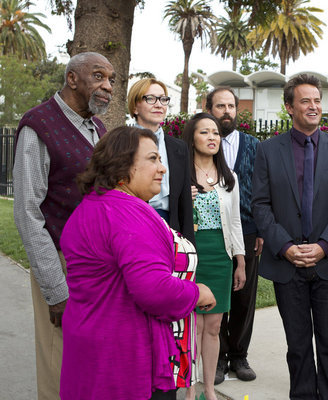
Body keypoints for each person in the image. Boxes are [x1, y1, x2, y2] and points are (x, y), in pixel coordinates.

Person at [59, 126, 216, 400]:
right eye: (153, 159)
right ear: (122, 166)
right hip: (123, 361)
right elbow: (154, 290)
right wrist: (197, 292)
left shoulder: (91, 206)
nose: (163, 169)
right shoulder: (128, 214)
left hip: (89, 349)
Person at [13, 51, 115, 400]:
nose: (108, 86)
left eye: (112, 79)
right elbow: (28, 213)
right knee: (59, 366)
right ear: (72, 79)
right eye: (99, 76)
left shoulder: (98, 127)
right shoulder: (38, 124)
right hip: (60, 261)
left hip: (100, 266)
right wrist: (56, 291)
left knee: (92, 364)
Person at [252, 74, 328, 399]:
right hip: (288, 267)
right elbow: (260, 205)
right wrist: (285, 247)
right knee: (297, 347)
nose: (313, 107)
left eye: (317, 100)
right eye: (305, 101)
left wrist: (325, 246)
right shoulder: (268, 151)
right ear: (289, 107)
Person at [182, 113, 246, 400]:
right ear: (192, 138)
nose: (212, 138)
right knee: (192, 325)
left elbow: (235, 223)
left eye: (216, 133)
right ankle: (189, 387)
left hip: (221, 255)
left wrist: (240, 260)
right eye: (204, 132)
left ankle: (209, 391)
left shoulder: (229, 177)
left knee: (214, 326)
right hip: (193, 254)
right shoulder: (182, 174)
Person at [205, 87, 262, 383]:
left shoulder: (254, 145)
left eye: (231, 106)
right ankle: (218, 357)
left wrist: (262, 229)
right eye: (220, 106)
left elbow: (264, 190)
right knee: (216, 295)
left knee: (243, 297)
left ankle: (239, 355)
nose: (227, 111)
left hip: (248, 230)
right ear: (209, 109)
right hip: (213, 233)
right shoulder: (200, 146)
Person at [127, 77, 194, 243]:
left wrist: (189, 245)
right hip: (131, 227)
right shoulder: (122, 144)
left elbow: (184, 203)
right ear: (135, 107)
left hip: (171, 229)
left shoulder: (179, 148)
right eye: (150, 99)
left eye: (163, 99)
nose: (159, 104)